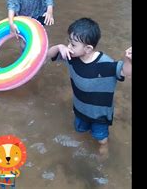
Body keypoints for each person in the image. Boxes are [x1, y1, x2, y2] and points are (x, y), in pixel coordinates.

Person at [47, 18, 132, 155]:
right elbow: (46, 55)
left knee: (101, 137)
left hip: (99, 115)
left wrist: (128, 60)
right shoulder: (70, 56)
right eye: (68, 41)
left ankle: (104, 148)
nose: (68, 46)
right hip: (80, 110)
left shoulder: (106, 64)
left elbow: (126, 72)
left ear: (88, 49)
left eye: (73, 44)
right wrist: (58, 47)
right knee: (80, 130)